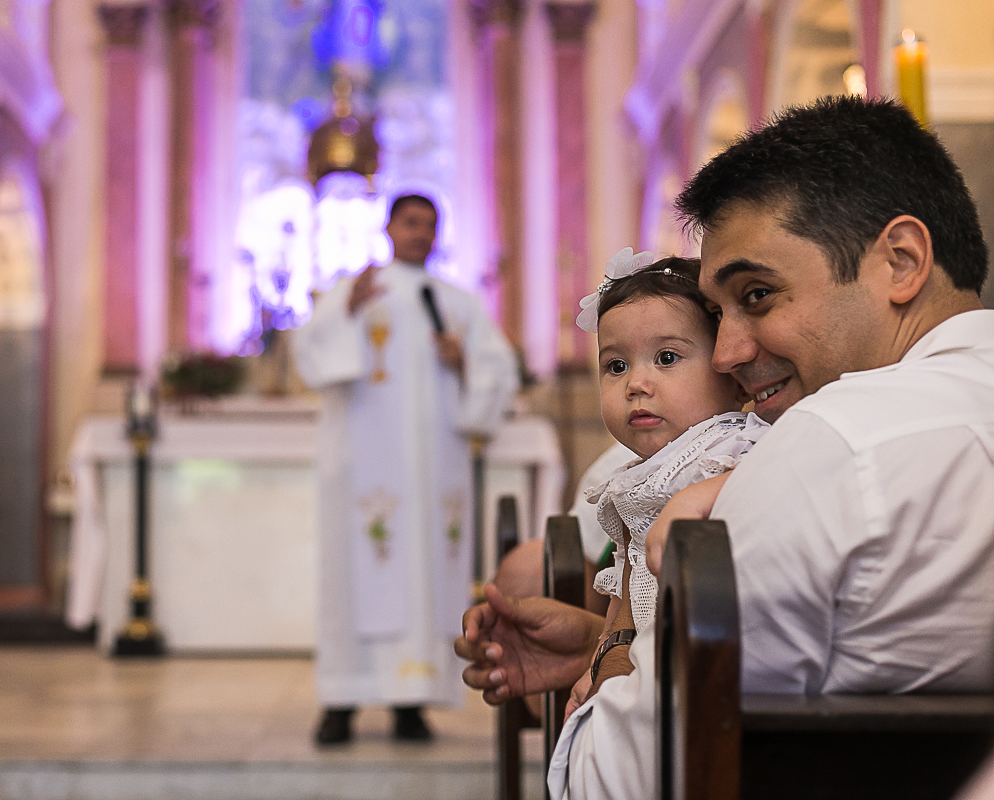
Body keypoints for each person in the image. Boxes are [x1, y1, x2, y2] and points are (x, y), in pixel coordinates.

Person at [454, 95, 994, 800]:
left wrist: (617, 649)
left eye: (759, 295)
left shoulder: (830, 445)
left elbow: (613, 782)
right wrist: (609, 640)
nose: (730, 352)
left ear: (900, 260)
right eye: (717, 314)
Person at [294, 194, 518, 744]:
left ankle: (410, 701)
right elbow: (310, 353)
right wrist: (346, 314)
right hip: (365, 466)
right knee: (356, 568)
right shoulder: (357, 291)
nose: (420, 233)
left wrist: (461, 362)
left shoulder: (456, 303)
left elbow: (498, 371)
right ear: (390, 226)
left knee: (425, 572)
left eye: (429, 225)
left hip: (436, 464)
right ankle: (342, 698)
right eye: (411, 222)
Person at [565, 250, 767, 712]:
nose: (636, 383)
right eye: (616, 366)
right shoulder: (637, 477)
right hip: (654, 665)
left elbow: (772, 478)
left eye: (667, 357)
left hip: (715, 669)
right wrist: (599, 664)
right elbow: (627, 588)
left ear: (734, 377)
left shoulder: (728, 449)